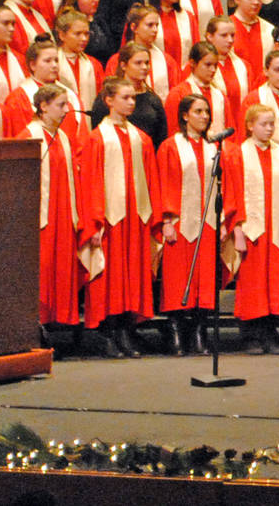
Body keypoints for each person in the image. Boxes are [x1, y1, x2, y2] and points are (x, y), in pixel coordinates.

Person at [77, 78, 161, 357]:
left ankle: (127, 329)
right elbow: (91, 182)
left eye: (133, 98)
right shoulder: (97, 139)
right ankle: (108, 331)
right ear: (108, 101)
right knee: (111, 275)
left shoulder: (141, 138)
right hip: (111, 219)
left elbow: (150, 180)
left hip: (136, 217)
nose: (131, 102)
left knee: (132, 274)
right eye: (124, 97)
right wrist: (95, 220)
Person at [222, 102, 279, 354]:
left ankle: (270, 333)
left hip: (277, 228)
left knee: (275, 282)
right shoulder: (237, 154)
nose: (269, 129)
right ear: (249, 126)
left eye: (272, 124)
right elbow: (232, 194)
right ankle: (250, 335)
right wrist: (237, 230)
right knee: (252, 284)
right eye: (263, 124)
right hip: (251, 230)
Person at [155, 94, 221, 356]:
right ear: (184, 115)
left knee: (204, 278)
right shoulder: (171, 146)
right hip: (180, 222)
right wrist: (167, 220)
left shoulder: (213, 147)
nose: (204, 116)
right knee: (177, 277)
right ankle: (176, 333)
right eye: (198, 111)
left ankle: (199, 332)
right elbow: (165, 182)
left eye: (207, 111)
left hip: (208, 222)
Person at [22, 84, 83, 329]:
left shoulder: (63, 137)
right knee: (43, 269)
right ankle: (38, 324)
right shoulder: (29, 137)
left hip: (62, 214)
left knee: (60, 271)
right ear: (43, 106)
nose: (66, 110)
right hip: (42, 218)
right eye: (60, 105)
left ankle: (59, 326)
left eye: (67, 104)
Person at [91, 41, 168, 145]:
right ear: (123, 65)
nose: (144, 67)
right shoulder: (108, 96)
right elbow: (97, 134)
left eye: (146, 63)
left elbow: (161, 138)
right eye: (138, 63)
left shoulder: (153, 99)